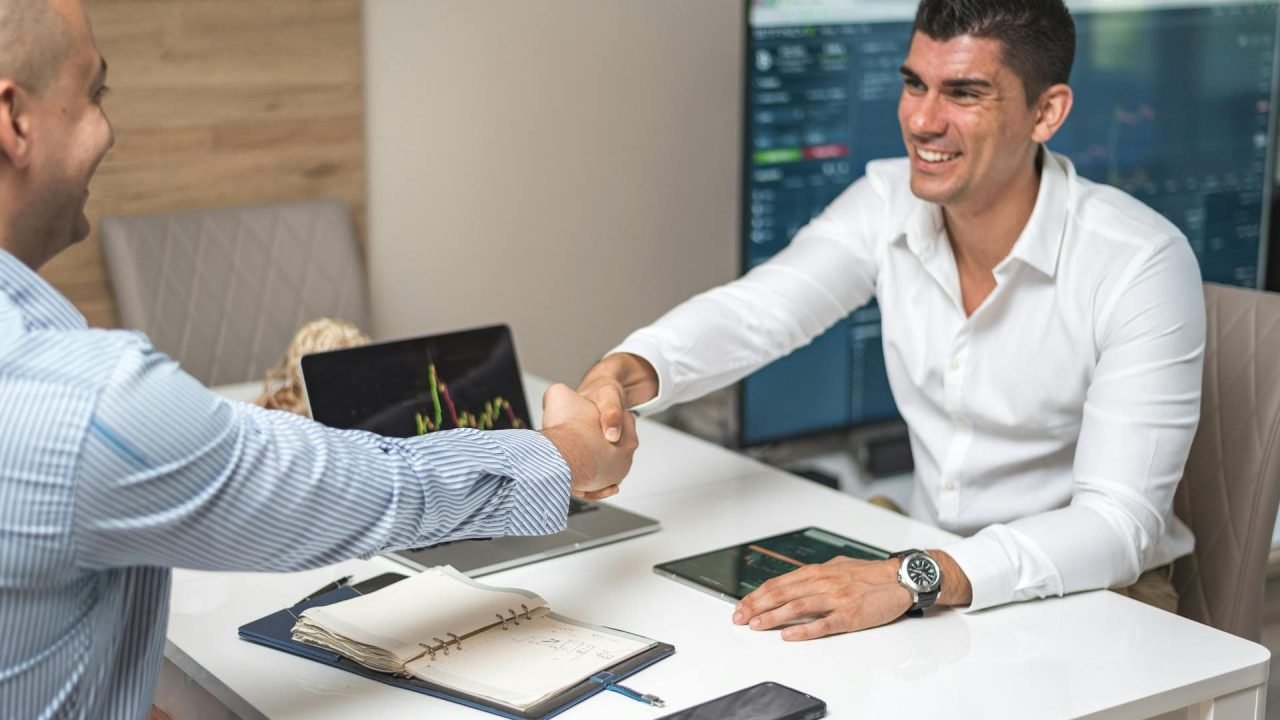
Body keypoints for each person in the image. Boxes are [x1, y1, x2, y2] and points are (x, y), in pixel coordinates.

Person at [0, 1, 637, 718]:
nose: (108, 129)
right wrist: (568, 454)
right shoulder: (80, 403)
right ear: (14, 120)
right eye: (94, 94)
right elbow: (372, 489)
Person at [579, 0, 1203, 640]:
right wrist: (623, 375)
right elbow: (757, 312)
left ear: (1046, 112)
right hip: (927, 568)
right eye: (914, 84)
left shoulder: (1139, 263)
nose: (922, 120)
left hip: (1094, 591)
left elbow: (1118, 526)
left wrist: (915, 577)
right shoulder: (886, 200)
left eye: (964, 93)